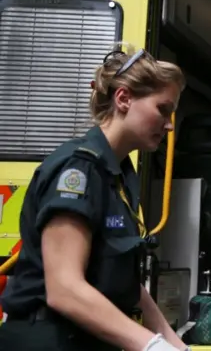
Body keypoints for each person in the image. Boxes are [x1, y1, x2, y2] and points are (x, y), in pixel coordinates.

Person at [0, 45, 190, 351]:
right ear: (124, 99)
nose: (169, 125)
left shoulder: (117, 174)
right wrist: (150, 345)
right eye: (163, 109)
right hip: (49, 340)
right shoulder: (79, 171)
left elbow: (122, 278)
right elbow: (64, 289)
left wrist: (173, 342)